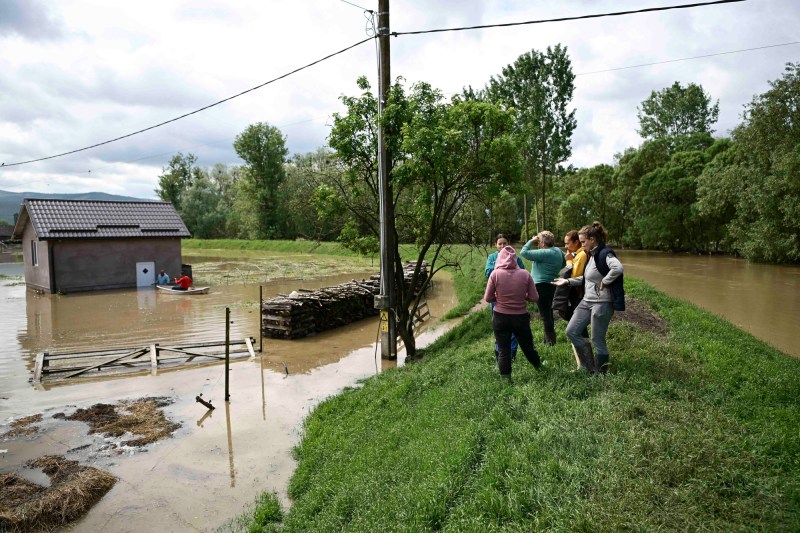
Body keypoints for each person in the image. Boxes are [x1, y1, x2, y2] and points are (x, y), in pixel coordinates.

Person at [553, 221, 625, 374]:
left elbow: (618, 268)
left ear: (593, 240)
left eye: (583, 241)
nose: (581, 244)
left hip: (602, 303)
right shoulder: (591, 255)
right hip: (587, 301)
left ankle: (600, 375)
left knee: (597, 339)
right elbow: (587, 279)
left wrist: (605, 281)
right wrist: (567, 281)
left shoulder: (605, 253)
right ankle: (587, 367)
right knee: (572, 331)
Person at [484, 245, 541, 381]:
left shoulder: (495, 274)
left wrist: (499, 298)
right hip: (520, 318)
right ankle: (539, 367)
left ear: (500, 259)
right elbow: (535, 298)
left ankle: (506, 379)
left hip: (500, 317)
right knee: (528, 346)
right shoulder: (525, 274)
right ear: (515, 259)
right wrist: (522, 297)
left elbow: (488, 298)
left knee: (503, 349)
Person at [520, 230, 566, 345]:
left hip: (541, 286)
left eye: (539, 242)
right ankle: (549, 339)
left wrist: (531, 240)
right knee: (549, 314)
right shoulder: (558, 251)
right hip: (552, 284)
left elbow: (524, 252)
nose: (538, 244)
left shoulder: (544, 253)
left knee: (545, 316)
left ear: (543, 243)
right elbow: (566, 261)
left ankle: (550, 342)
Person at [485, 234, 526, 360]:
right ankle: (500, 352)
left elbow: (523, 273)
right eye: (500, 243)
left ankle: (512, 352)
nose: (502, 246)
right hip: (497, 298)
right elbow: (487, 272)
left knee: (514, 327)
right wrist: (502, 267)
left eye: (505, 243)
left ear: (508, 244)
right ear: (495, 245)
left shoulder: (516, 258)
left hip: (514, 298)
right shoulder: (492, 257)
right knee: (499, 327)